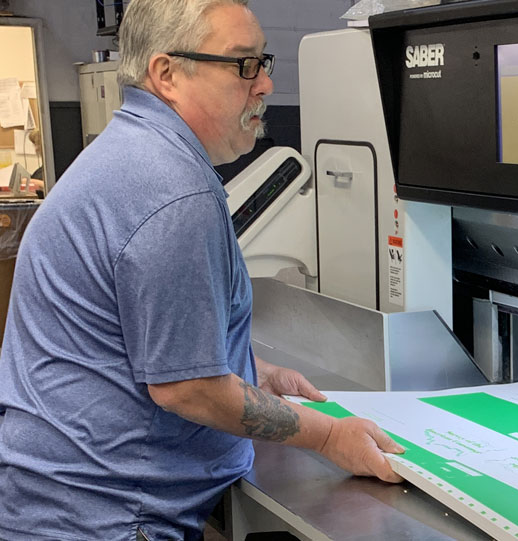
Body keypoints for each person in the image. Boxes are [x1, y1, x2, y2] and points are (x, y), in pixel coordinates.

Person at [0, 1, 405, 539]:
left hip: (61, 501)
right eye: (243, 64)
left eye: (264, 62)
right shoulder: (172, 190)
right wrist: (330, 437)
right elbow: (187, 389)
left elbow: (138, 336)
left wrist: (249, 368)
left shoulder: (134, 152)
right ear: (167, 74)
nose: (263, 85)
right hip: (107, 516)